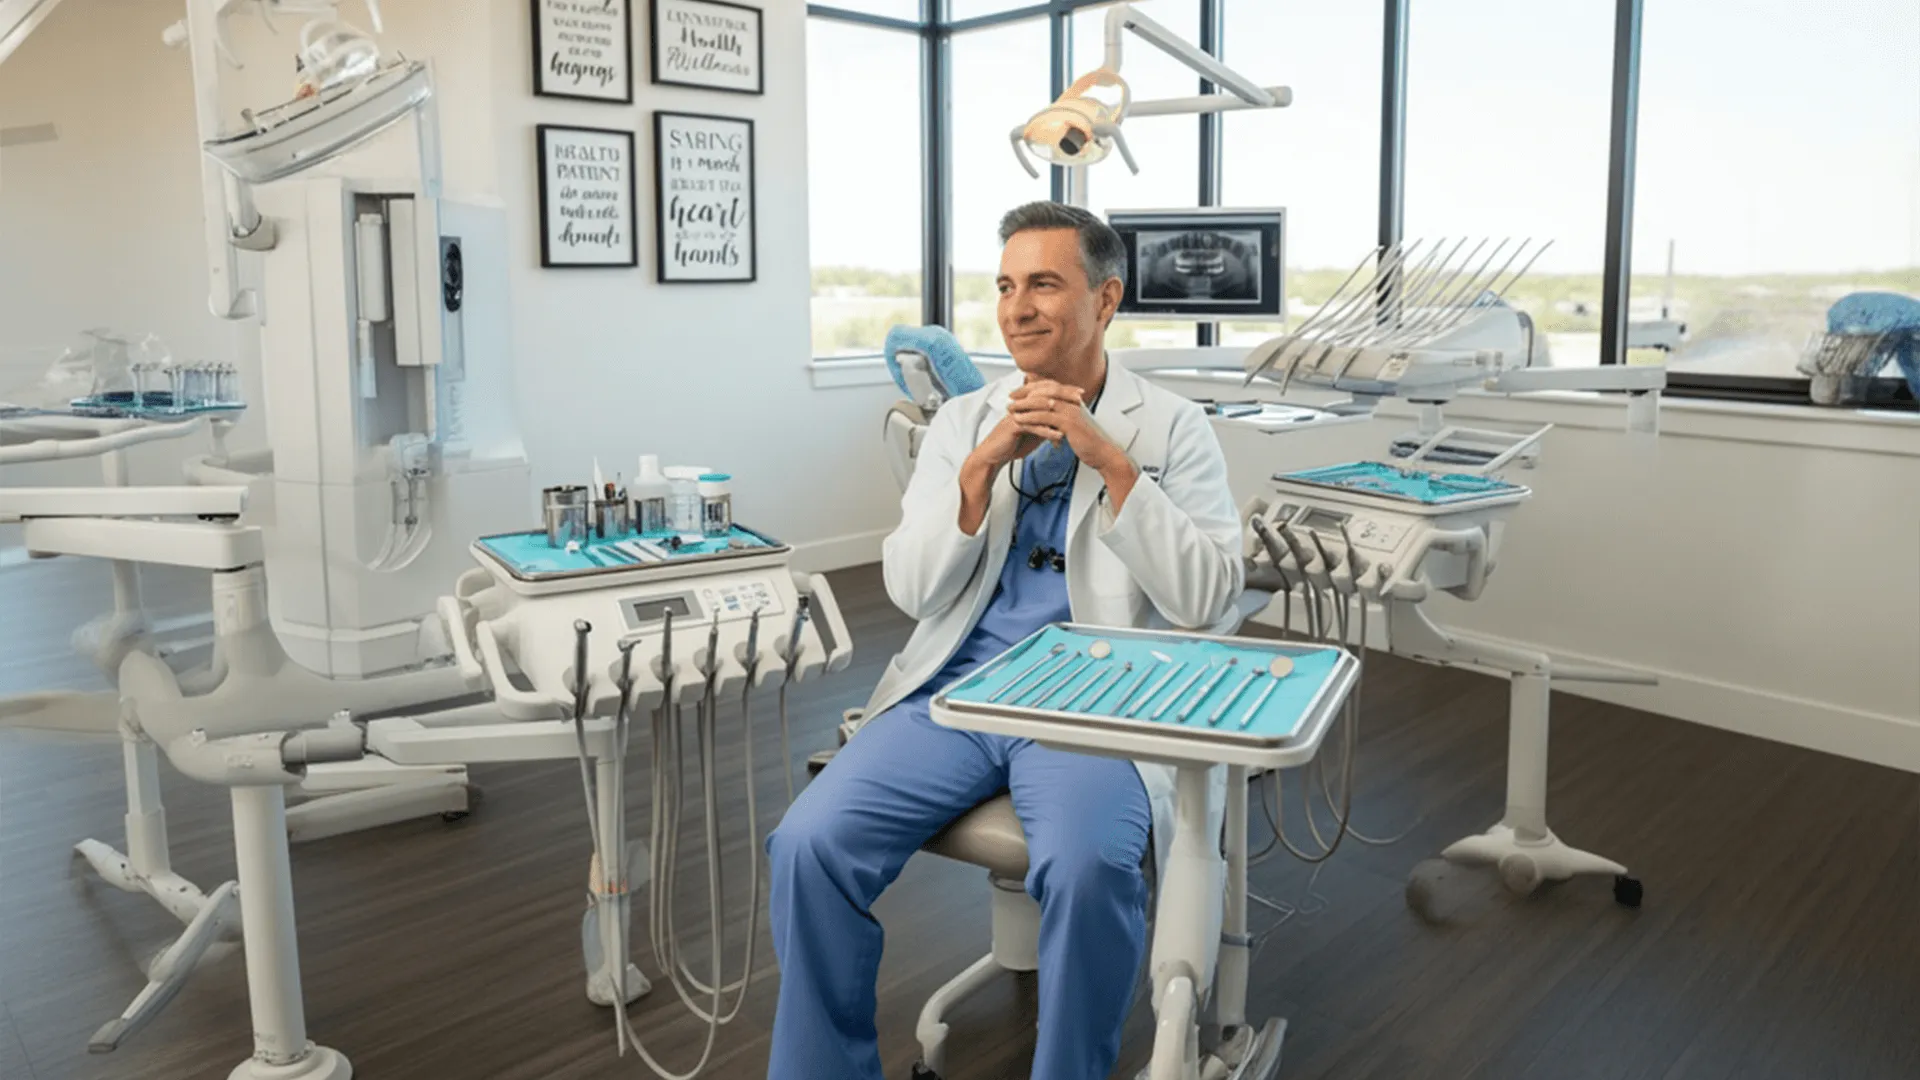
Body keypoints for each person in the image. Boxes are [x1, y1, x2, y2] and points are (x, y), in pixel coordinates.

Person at [766, 201, 1244, 1080]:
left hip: (1093, 704)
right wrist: (979, 473)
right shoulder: (962, 424)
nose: (1017, 308)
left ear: (1105, 301)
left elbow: (1209, 598)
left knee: (1092, 869)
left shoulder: (1172, 427)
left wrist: (1113, 464)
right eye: (1006, 286)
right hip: (961, 690)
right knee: (808, 845)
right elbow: (912, 589)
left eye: (1044, 285)